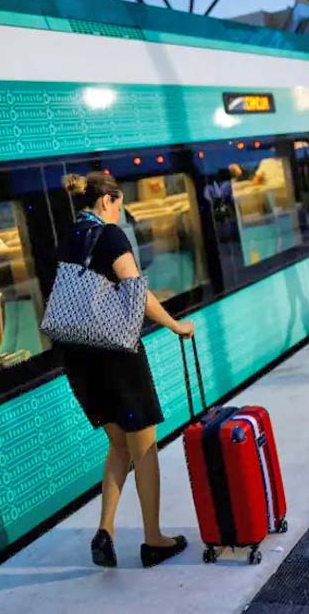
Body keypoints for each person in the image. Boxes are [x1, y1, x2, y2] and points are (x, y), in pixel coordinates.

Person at [58, 172, 194, 568]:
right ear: (106, 202)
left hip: (80, 363)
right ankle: (153, 540)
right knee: (144, 447)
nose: (119, 212)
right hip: (117, 358)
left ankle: (106, 531)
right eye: (118, 204)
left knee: (118, 445)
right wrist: (175, 325)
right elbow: (137, 291)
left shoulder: (67, 239)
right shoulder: (111, 237)